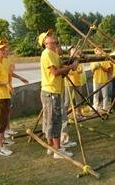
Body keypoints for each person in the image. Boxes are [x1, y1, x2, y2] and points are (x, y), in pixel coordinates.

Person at [38, 29, 78, 159]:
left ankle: (51, 147)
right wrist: (71, 67)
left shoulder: (54, 54)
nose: (52, 37)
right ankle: (58, 150)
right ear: (44, 42)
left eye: (52, 35)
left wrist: (71, 65)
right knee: (54, 120)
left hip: (55, 90)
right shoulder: (47, 53)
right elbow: (55, 72)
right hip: (50, 91)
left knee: (50, 119)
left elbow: (62, 72)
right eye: (49, 36)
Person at [0, 39, 29, 139]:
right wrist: (7, 85)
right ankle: (3, 131)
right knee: (2, 113)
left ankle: (8, 128)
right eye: (2, 47)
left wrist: (20, 78)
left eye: (6, 46)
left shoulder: (7, 59)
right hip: (1, 91)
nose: (5, 48)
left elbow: (9, 74)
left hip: (8, 88)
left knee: (8, 110)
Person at [64, 46, 84, 119]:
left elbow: (80, 70)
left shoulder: (78, 60)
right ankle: (64, 116)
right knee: (67, 101)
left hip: (78, 82)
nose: (75, 52)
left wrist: (74, 69)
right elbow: (67, 71)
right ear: (70, 52)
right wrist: (72, 69)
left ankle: (79, 114)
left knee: (78, 100)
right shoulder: (67, 60)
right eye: (74, 51)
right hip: (69, 83)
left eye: (76, 51)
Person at [90, 47, 111, 111]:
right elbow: (92, 71)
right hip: (96, 80)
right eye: (97, 50)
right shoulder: (93, 60)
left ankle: (105, 107)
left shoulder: (105, 59)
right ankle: (95, 107)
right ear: (95, 52)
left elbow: (108, 70)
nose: (99, 51)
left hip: (104, 80)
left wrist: (101, 66)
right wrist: (95, 68)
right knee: (95, 95)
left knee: (105, 95)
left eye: (100, 50)